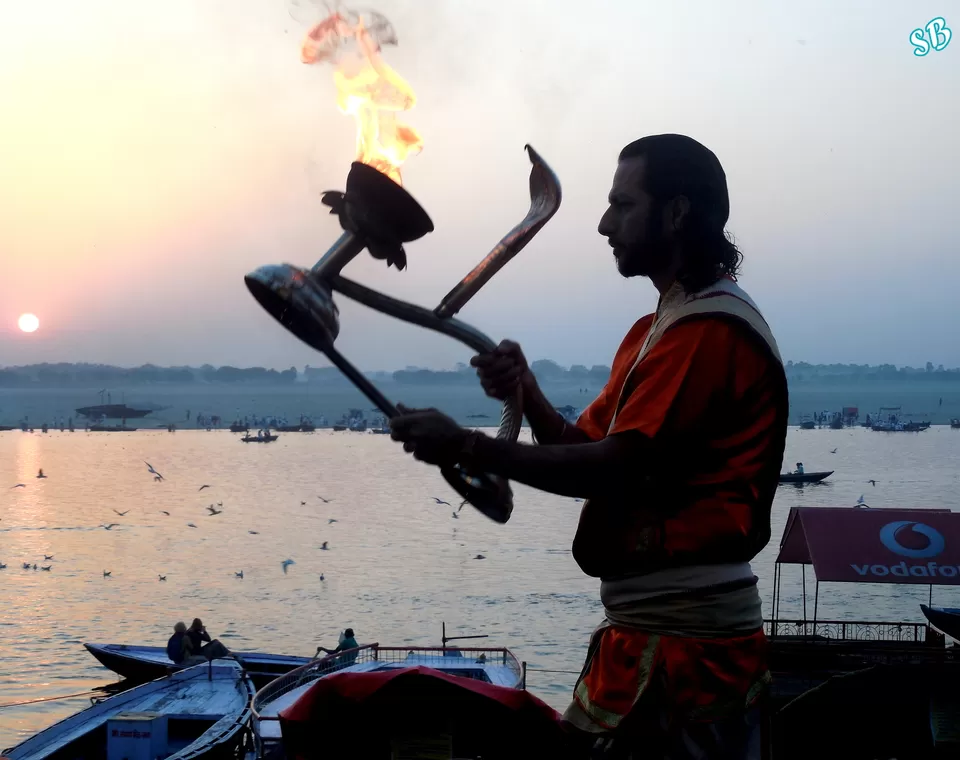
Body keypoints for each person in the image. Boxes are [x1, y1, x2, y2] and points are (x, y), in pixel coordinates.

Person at [389, 134, 789, 759]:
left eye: (622, 205)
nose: (604, 224)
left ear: (677, 212)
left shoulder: (708, 331)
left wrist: (467, 446)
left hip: (688, 655)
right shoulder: (656, 328)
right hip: (644, 637)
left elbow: (614, 469)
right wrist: (528, 392)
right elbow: (582, 445)